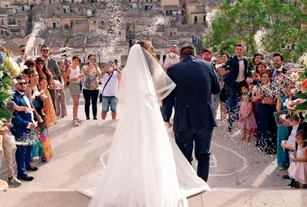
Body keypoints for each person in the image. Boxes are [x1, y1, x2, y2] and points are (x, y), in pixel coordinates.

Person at [88, 43, 209, 207]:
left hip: (133, 113)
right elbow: (162, 92)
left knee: (131, 145)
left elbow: (121, 96)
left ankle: (133, 184)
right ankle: (153, 186)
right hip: (149, 109)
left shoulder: (129, 72)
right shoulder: (152, 71)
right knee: (153, 145)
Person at [163, 45, 221, 182]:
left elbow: (168, 98)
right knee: (203, 154)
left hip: (183, 118)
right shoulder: (207, 66)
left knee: (184, 156)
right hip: (205, 118)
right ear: (196, 55)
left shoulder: (173, 69)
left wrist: (166, 117)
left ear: (180, 58)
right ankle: (201, 183)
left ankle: (188, 184)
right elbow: (217, 89)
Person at [9, 75, 39, 182]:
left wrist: (33, 120)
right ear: (15, 84)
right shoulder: (14, 97)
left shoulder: (25, 94)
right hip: (20, 128)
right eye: (20, 83)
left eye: (24, 83)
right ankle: (22, 173)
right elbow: (15, 116)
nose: (23, 85)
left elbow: (29, 108)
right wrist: (27, 124)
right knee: (21, 150)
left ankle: (27, 165)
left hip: (30, 125)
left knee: (29, 147)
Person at [221, 43, 249, 132]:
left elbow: (246, 71)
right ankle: (230, 123)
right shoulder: (232, 58)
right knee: (232, 103)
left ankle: (243, 124)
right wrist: (224, 66)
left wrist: (248, 81)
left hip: (242, 84)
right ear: (235, 50)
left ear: (243, 51)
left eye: (241, 49)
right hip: (233, 84)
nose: (239, 51)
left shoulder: (245, 60)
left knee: (243, 102)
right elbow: (226, 64)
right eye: (237, 49)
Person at [253, 69, 279, 154]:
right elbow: (254, 98)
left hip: (269, 109)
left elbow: (272, 101)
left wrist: (262, 98)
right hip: (261, 108)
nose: (264, 78)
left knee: (270, 127)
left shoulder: (273, 86)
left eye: (266, 77)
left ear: (270, 78)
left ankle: (270, 147)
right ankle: (262, 145)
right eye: (263, 76)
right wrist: (259, 98)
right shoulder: (258, 86)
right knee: (261, 125)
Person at [35, 57, 57, 127]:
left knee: (47, 112)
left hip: (46, 94)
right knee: (40, 111)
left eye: (42, 63)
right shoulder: (35, 73)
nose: (40, 65)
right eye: (38, 63)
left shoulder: (47, 73)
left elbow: (51, 84)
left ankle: (45, 129)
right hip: (37, 94)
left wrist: (53, 85)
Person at [66, 56, 83, 126]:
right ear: (72, 61)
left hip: (78, 84)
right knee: (75, 102)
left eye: (78, 61)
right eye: (75, 60)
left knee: (77, 103)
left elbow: (79, 75)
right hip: (72, 85)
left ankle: (76, 117)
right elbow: (65, 79)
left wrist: (80, 77)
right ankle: (74, 119)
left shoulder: (78, 67)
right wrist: (73, 79)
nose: (76, 62)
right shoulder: (69, 69)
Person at [82, 54, 101, 120]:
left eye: (93, 59)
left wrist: (95, 67)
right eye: (90, 59)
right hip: (86, 88)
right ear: (88, 59)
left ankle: (94, 116)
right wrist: (90, 66)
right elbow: (86, 73)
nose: (92, 60)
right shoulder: (85, 67)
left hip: (95, 88)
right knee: (87, 103)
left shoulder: (97, 67)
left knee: (94, 103)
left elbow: (99, 75)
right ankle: (87, 117)